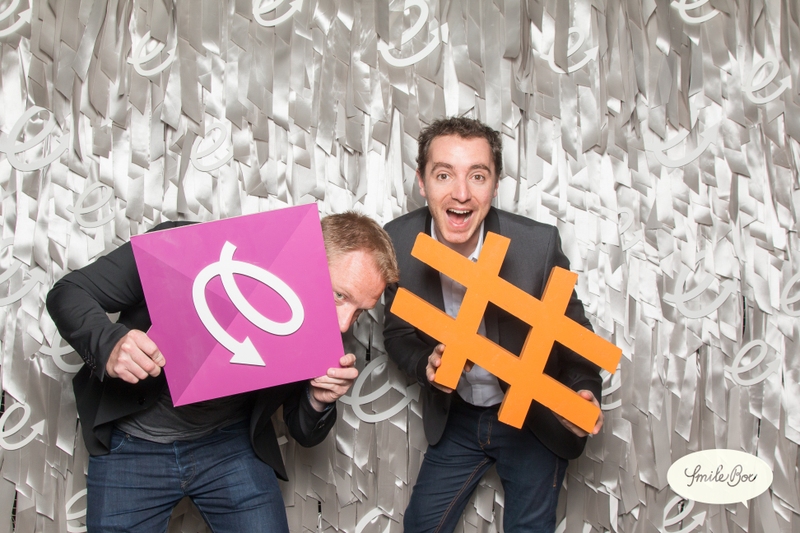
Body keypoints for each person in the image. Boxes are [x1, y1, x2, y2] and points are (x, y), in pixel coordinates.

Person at [47, 211, 399, 533]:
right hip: (134, 444)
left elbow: (303, 431)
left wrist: (317, 399)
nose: (343, 324)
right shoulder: (181, 246)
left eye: (359, 311)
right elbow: (69, 292)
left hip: (229, 444)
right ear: (308, 257)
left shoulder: (322, 328)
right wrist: (109, 343)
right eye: (340, 295)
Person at [382, 117, 603, 533]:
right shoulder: (398, 243)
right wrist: (426, 363)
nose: (461, 193)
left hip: (530, 418)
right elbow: (398, 333)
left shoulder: (536, 247)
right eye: (444, 174)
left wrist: (581, 394)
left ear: (496, 185)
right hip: (457, 417)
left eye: (478, 176)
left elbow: (576, 341)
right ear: (421, 182)